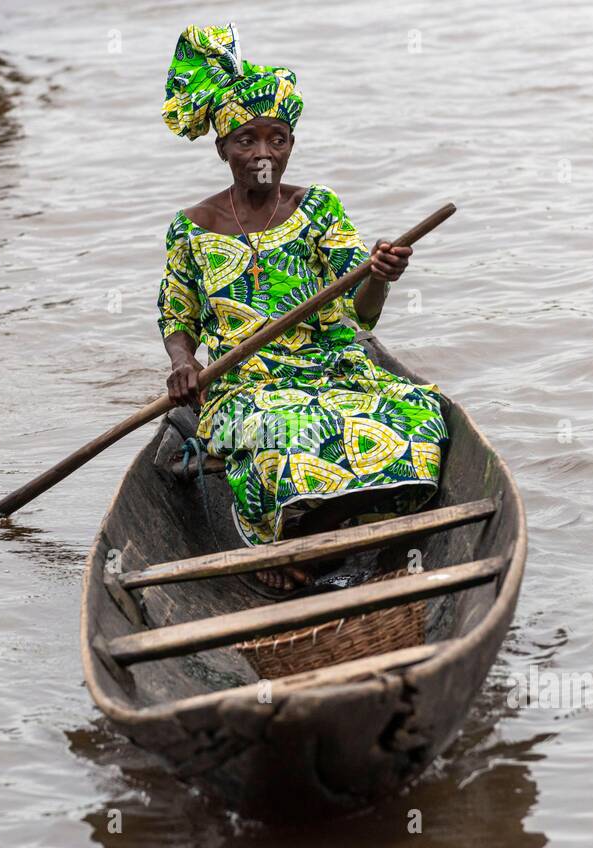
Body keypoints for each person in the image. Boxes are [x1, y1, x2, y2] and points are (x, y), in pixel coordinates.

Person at [157, 23, 449, 593]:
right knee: (284, 432)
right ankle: (316, 533)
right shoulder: (189, 227)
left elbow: (360, 316)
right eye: (246, 140)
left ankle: (304, 539)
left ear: (291, 144)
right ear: (222, 149)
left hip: (334, 364)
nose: (263, 154)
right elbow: (178, 318)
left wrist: (381, 278)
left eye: (278, 139)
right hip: (248, 380)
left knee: (420, 416)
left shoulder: (318, 208)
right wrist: (182, 364)